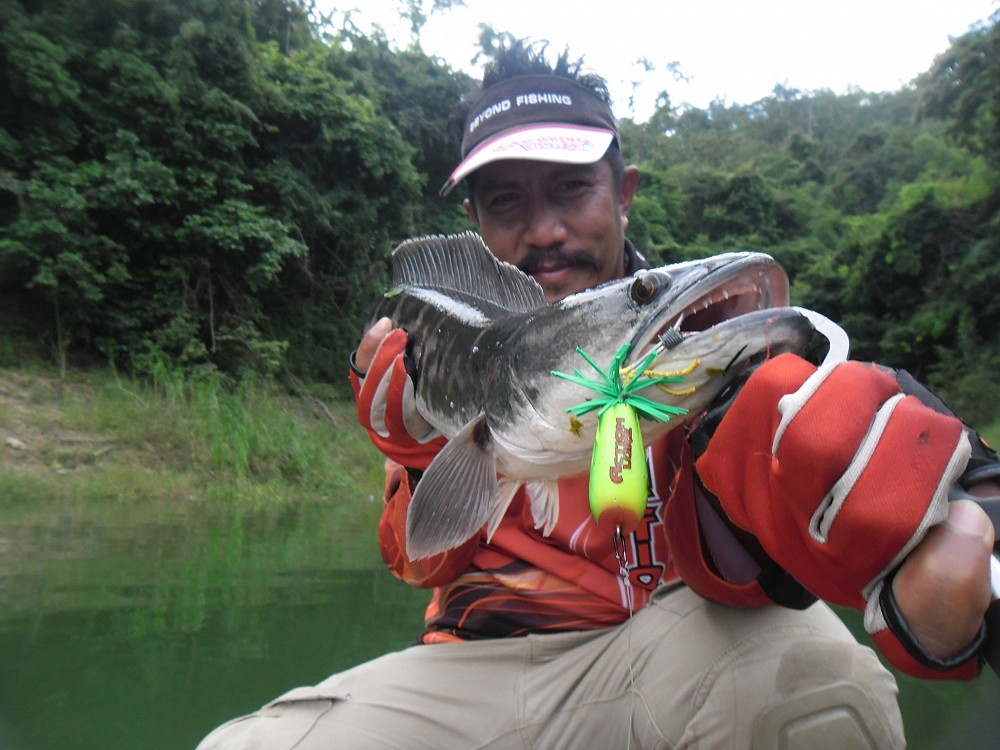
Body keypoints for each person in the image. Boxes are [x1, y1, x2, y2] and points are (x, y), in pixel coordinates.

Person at [197, 40, 1000, 749]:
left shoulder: (691, 343)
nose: (544, 229)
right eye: (507, 200)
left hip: (674, 660)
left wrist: (961, 515)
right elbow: (417, 561)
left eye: (572, 188)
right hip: (476, 670)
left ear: (623, 192)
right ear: (474, 217)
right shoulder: (436, 351)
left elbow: (804, 452)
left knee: (818, 683)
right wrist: (415, 450)